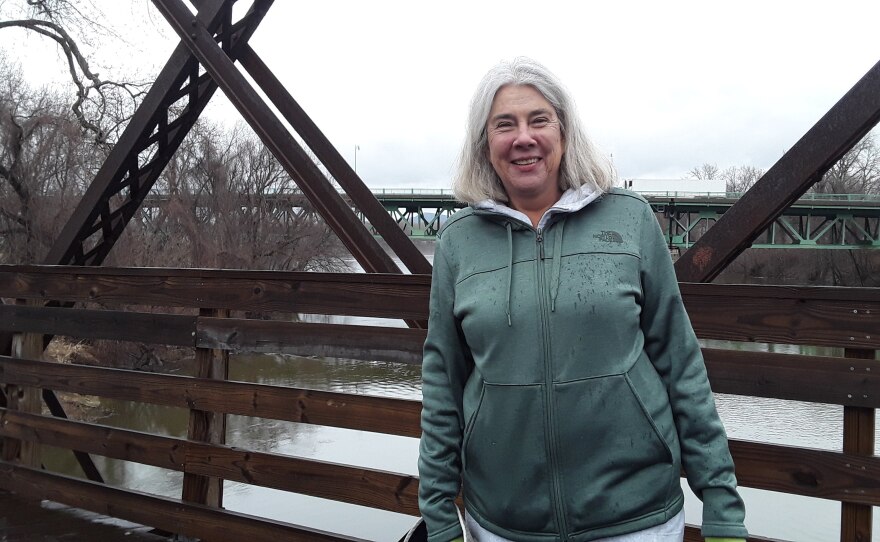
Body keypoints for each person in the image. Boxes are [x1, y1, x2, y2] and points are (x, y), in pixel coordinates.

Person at [417, 57, 748, 542]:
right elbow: (443, 383)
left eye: (539, 120)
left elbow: (681, 362)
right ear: (485, 145)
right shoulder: (457, 243)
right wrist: (440, 514)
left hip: (638, 518)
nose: (523, 137)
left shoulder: (629, 220)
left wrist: (720, 501)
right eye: (504, 124)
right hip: (506, 523)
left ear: (564, 133)